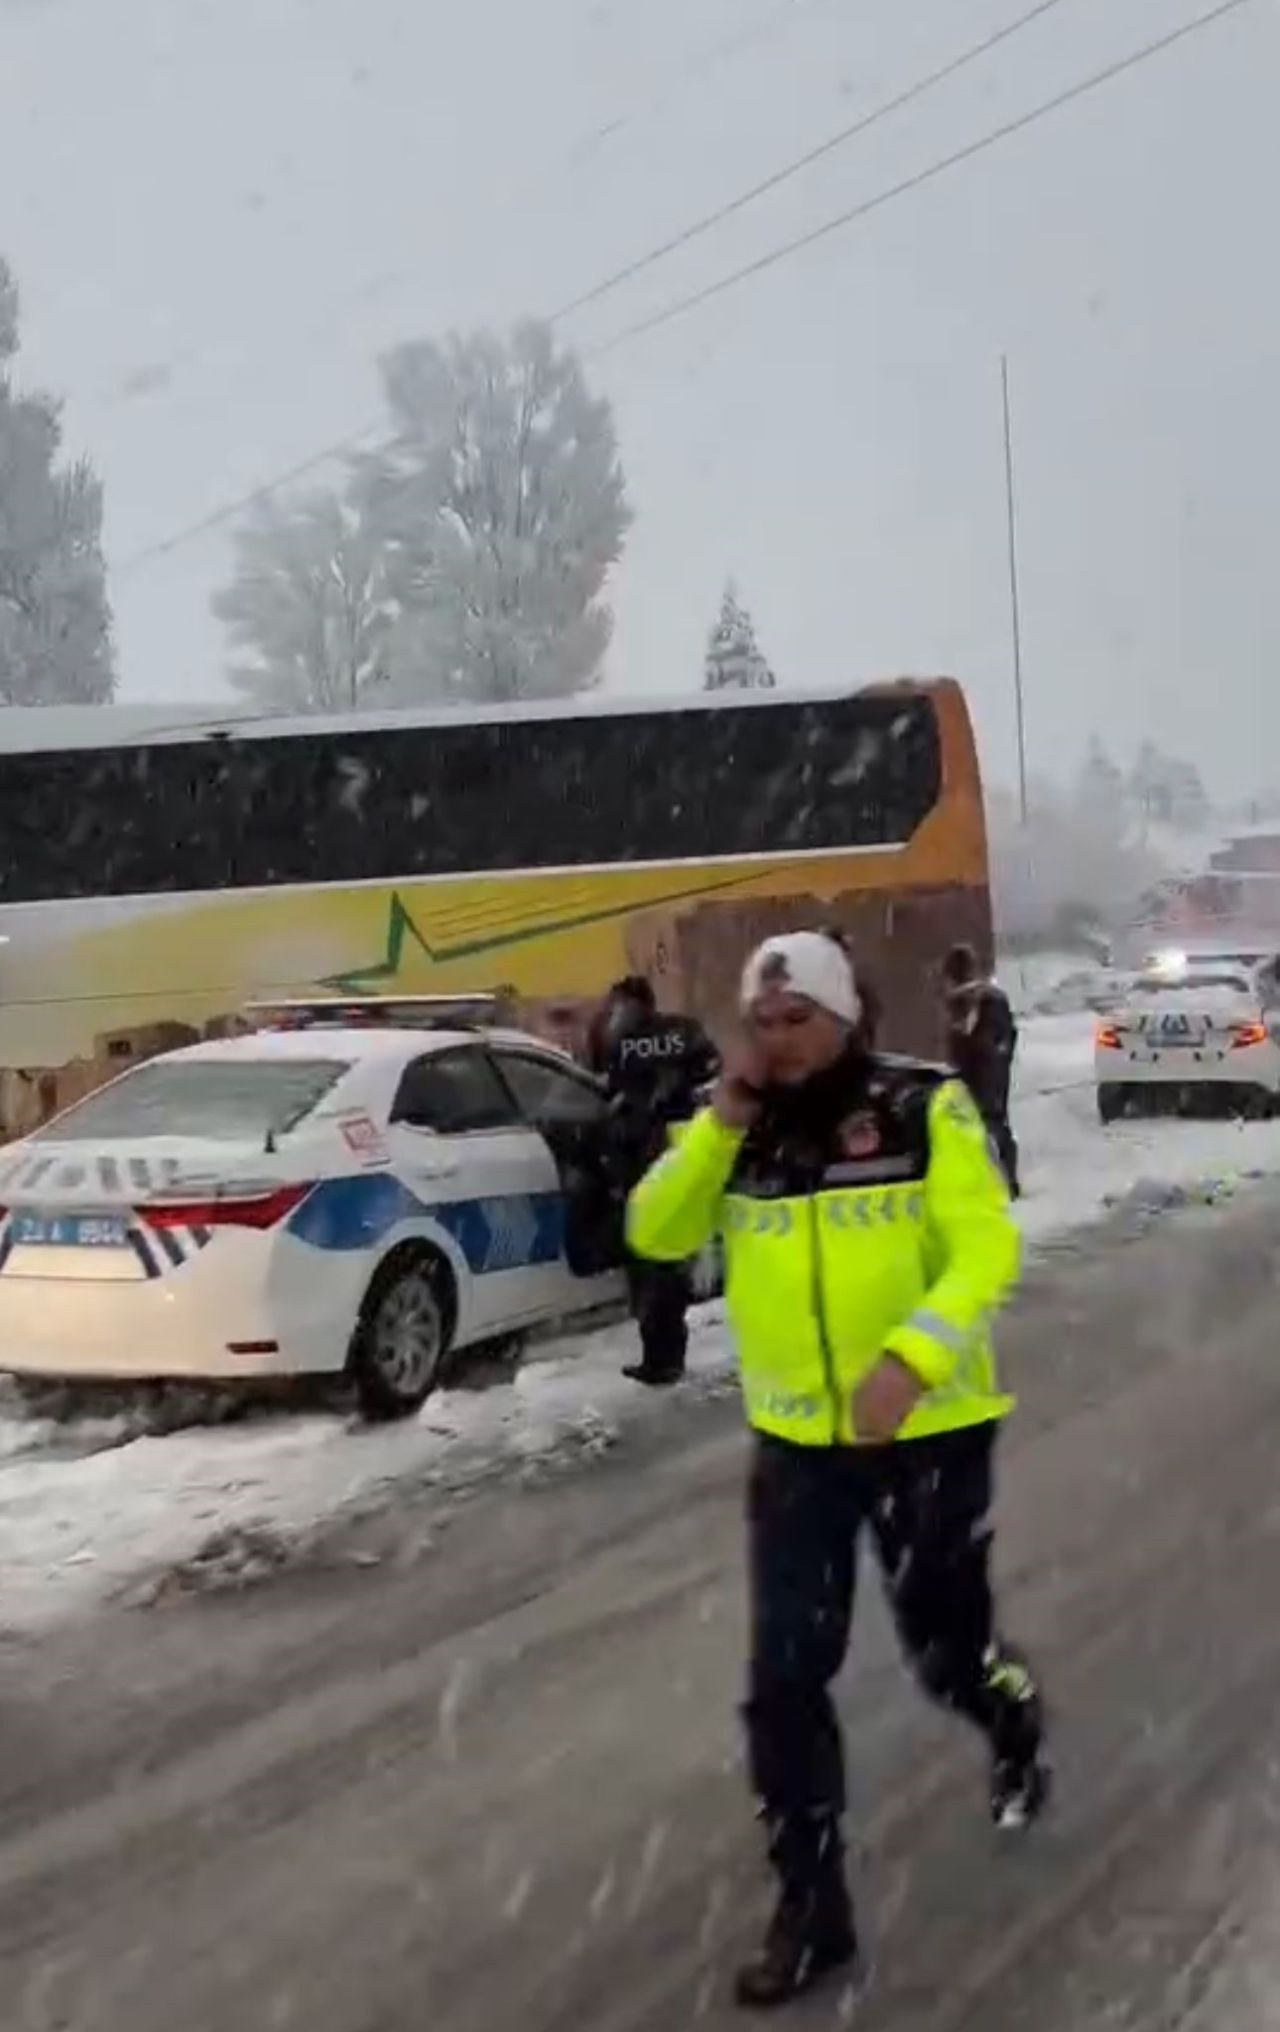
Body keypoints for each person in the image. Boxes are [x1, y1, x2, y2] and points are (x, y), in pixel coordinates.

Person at [627, 930, 1047, 2008]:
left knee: (943, 1657)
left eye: (797, 1019)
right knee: (782, 1683)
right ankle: (812, 1909)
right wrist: (717, 1127)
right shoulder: (734, 1126)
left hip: (928, 1434)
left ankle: (1007, 1712)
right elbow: (655, 1230)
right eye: (761, 1022)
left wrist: (912, 1358)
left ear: (844, 1017)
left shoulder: (921, 1107)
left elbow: (985, 1248)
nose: (776, 1040)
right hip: (798, 1450)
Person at [593, 975, 719, 1386]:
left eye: (618, 1004)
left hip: (643, 1157)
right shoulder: (684, 1031)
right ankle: (667, 1350)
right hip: (683, 1152)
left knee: (649, 1259)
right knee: (669, 1256)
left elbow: (604, 1088)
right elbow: (711, 1074)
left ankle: (660, 1356)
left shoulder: (620, 1040)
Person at [940, 942, 1021, 1198]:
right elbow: (1007, 1036)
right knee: (989, 1124)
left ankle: (1004, 1181)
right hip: (985, 1071)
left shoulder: (977, 1000)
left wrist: (984, 1059)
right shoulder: (977, 999)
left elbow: (983, 1040)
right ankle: (1000, 1179)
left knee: (990, 1124)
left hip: (983, 1072)